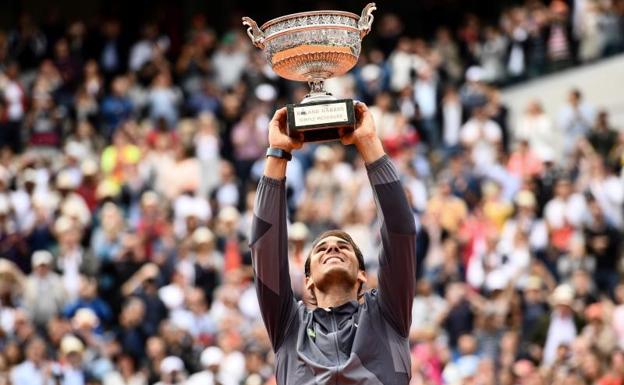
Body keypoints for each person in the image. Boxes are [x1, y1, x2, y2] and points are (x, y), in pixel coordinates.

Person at [250, 102, 417, 384]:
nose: (332, 247)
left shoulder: (388, 314)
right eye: (321, 248)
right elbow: (264, 249)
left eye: (344, 246)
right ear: (308, 281)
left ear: (363, 275)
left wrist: (369, 144)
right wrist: (277, 154)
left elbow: (400, 232)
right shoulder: (289, 326)